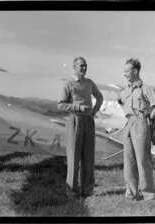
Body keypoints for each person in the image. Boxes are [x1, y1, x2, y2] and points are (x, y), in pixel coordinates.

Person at [57, 57, 103, 198]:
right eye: (81, 66)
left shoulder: (89, 83)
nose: (84, 68)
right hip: (74, 121)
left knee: (88, 157)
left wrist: (94, 111)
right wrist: (78, 107)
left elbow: (100, 97)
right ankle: (72, 191)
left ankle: (87, 190)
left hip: (89, 121)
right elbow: (60, 105)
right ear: (74, 67)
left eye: (85, 66)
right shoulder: (69, 84)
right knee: (73, 158)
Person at [118, 58, 155, 201]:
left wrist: (149, 118)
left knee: (143, 160)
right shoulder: (125, 90)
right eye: (124, 71)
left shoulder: (146, 88)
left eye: (127, 71)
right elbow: (121, 101)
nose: (124, 74)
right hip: (129, 124)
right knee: (129, 160)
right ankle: (131, 194)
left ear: (135, 71)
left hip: (141, 123)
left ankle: (149, 195)